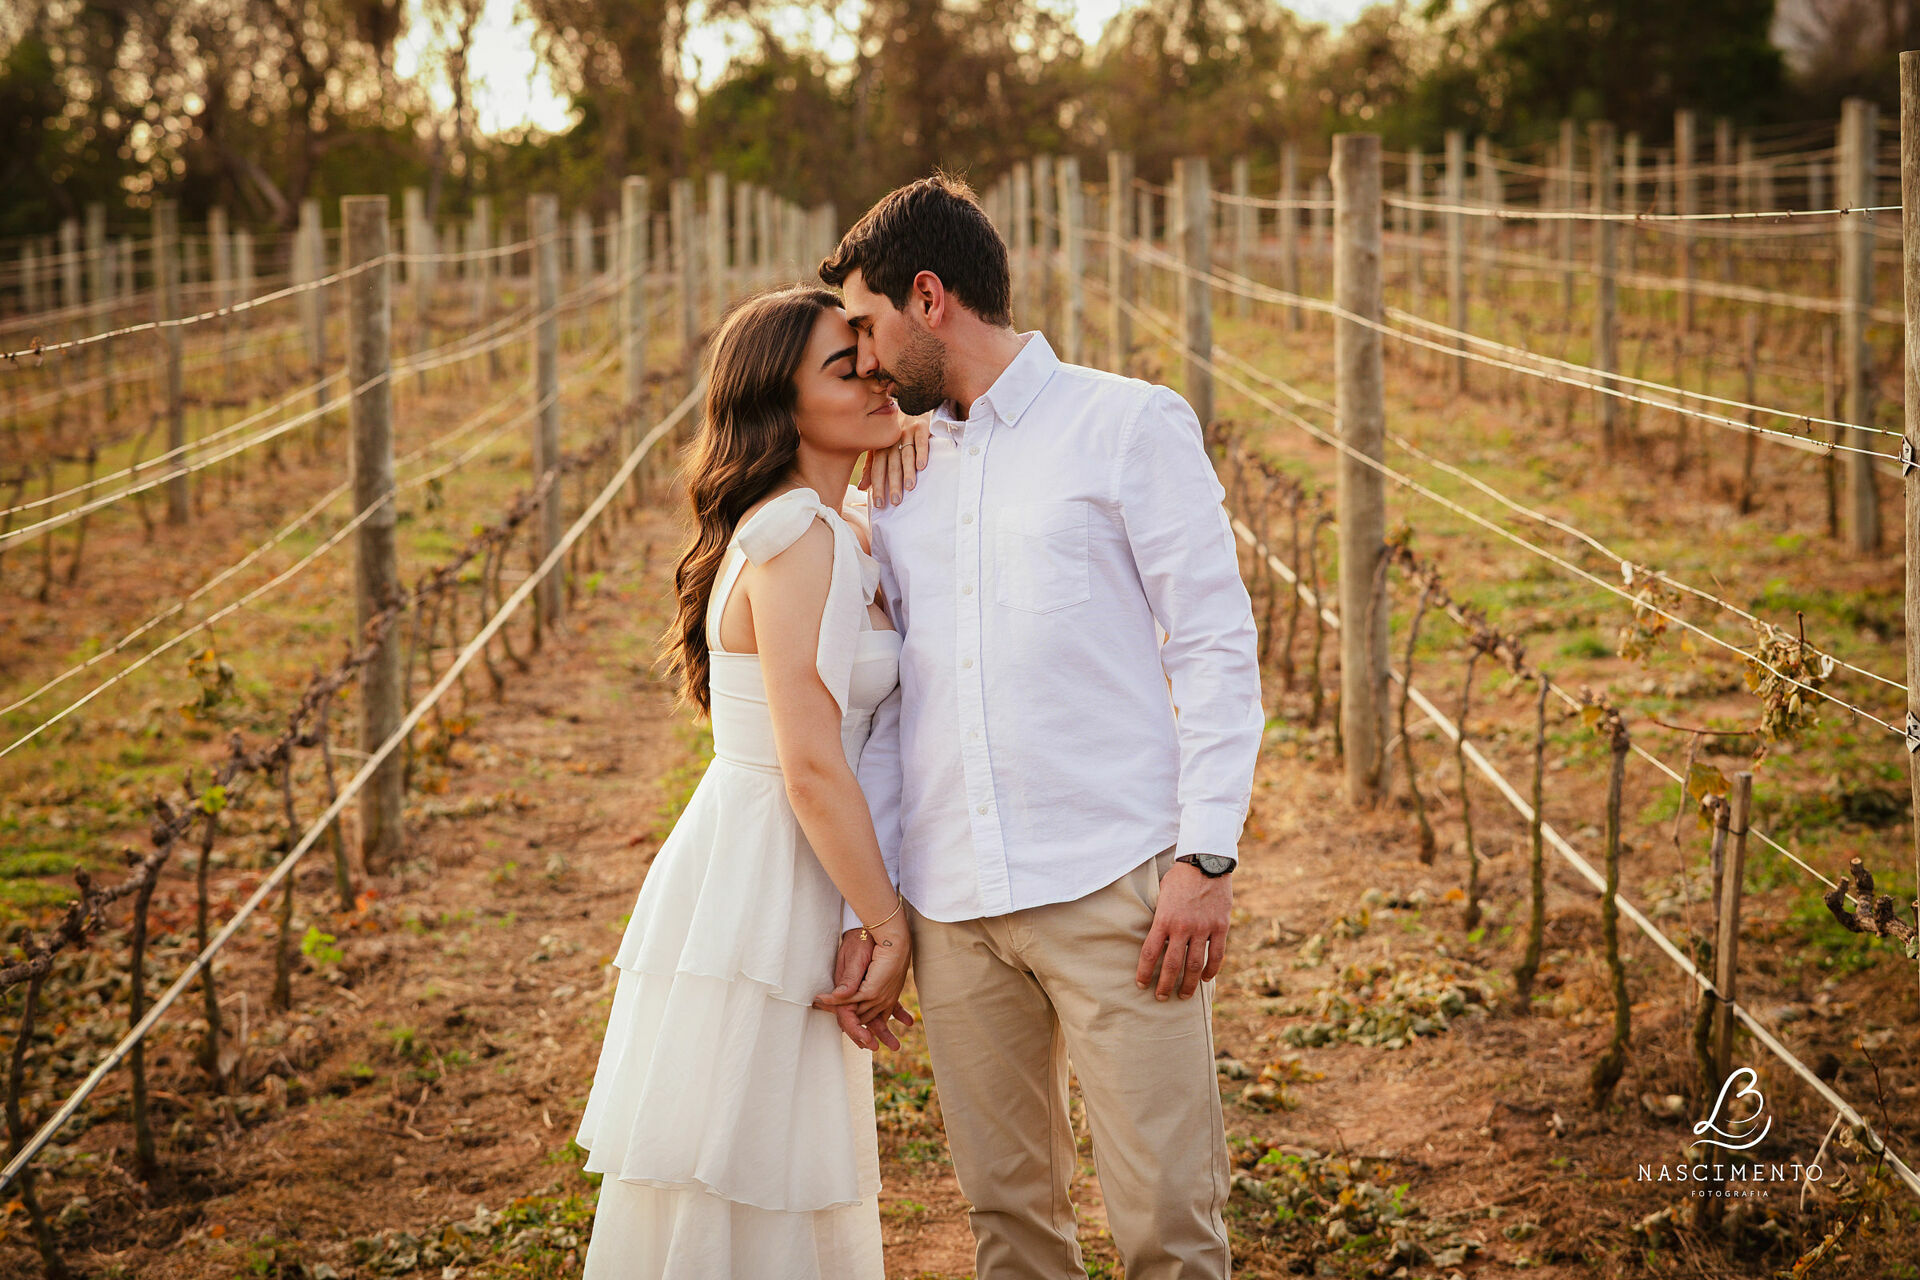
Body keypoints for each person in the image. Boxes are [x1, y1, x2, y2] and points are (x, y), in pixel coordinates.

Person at [814, 174, 1265, 1278]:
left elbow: (1212, 645)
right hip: (956, 907)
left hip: (1116, 890)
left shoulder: (1126, 423)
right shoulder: (898, 477)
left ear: (930, 299)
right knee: (1009, 1229)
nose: (865, 361)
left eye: (868, 327)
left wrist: (1205, 855)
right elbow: (887, 704)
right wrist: (870, 906)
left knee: (1169, 1221)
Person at [573, 285, 927, 1277]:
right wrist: (888, 922)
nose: (873, 376)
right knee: (748, 1155)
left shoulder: (834, 521)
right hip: (775, 857)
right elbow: (810, 760)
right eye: (842, 369)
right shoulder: (795, 536)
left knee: (769, 1148)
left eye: (870, 358)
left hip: (789, 850)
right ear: (781, 403)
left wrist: (901, 439)